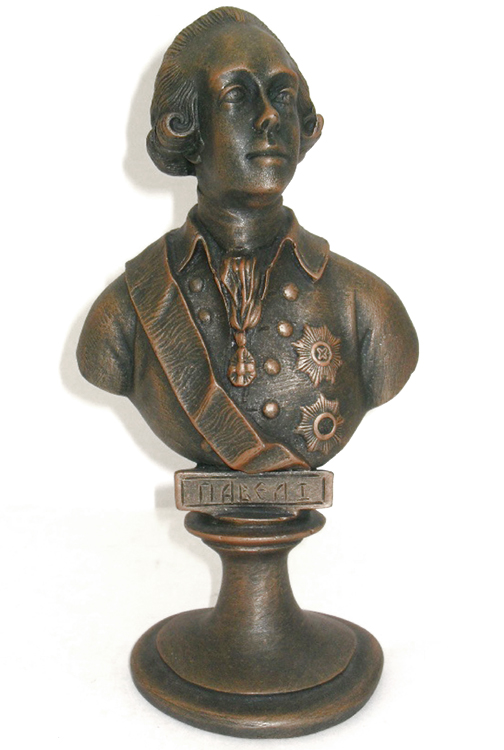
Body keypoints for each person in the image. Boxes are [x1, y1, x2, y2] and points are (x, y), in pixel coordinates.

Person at [77, 7, 418, 473]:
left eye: (282, 95)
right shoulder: (124, 315)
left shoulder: (368, 308)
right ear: (187, 128)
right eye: (237, 95)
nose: (269, 116)